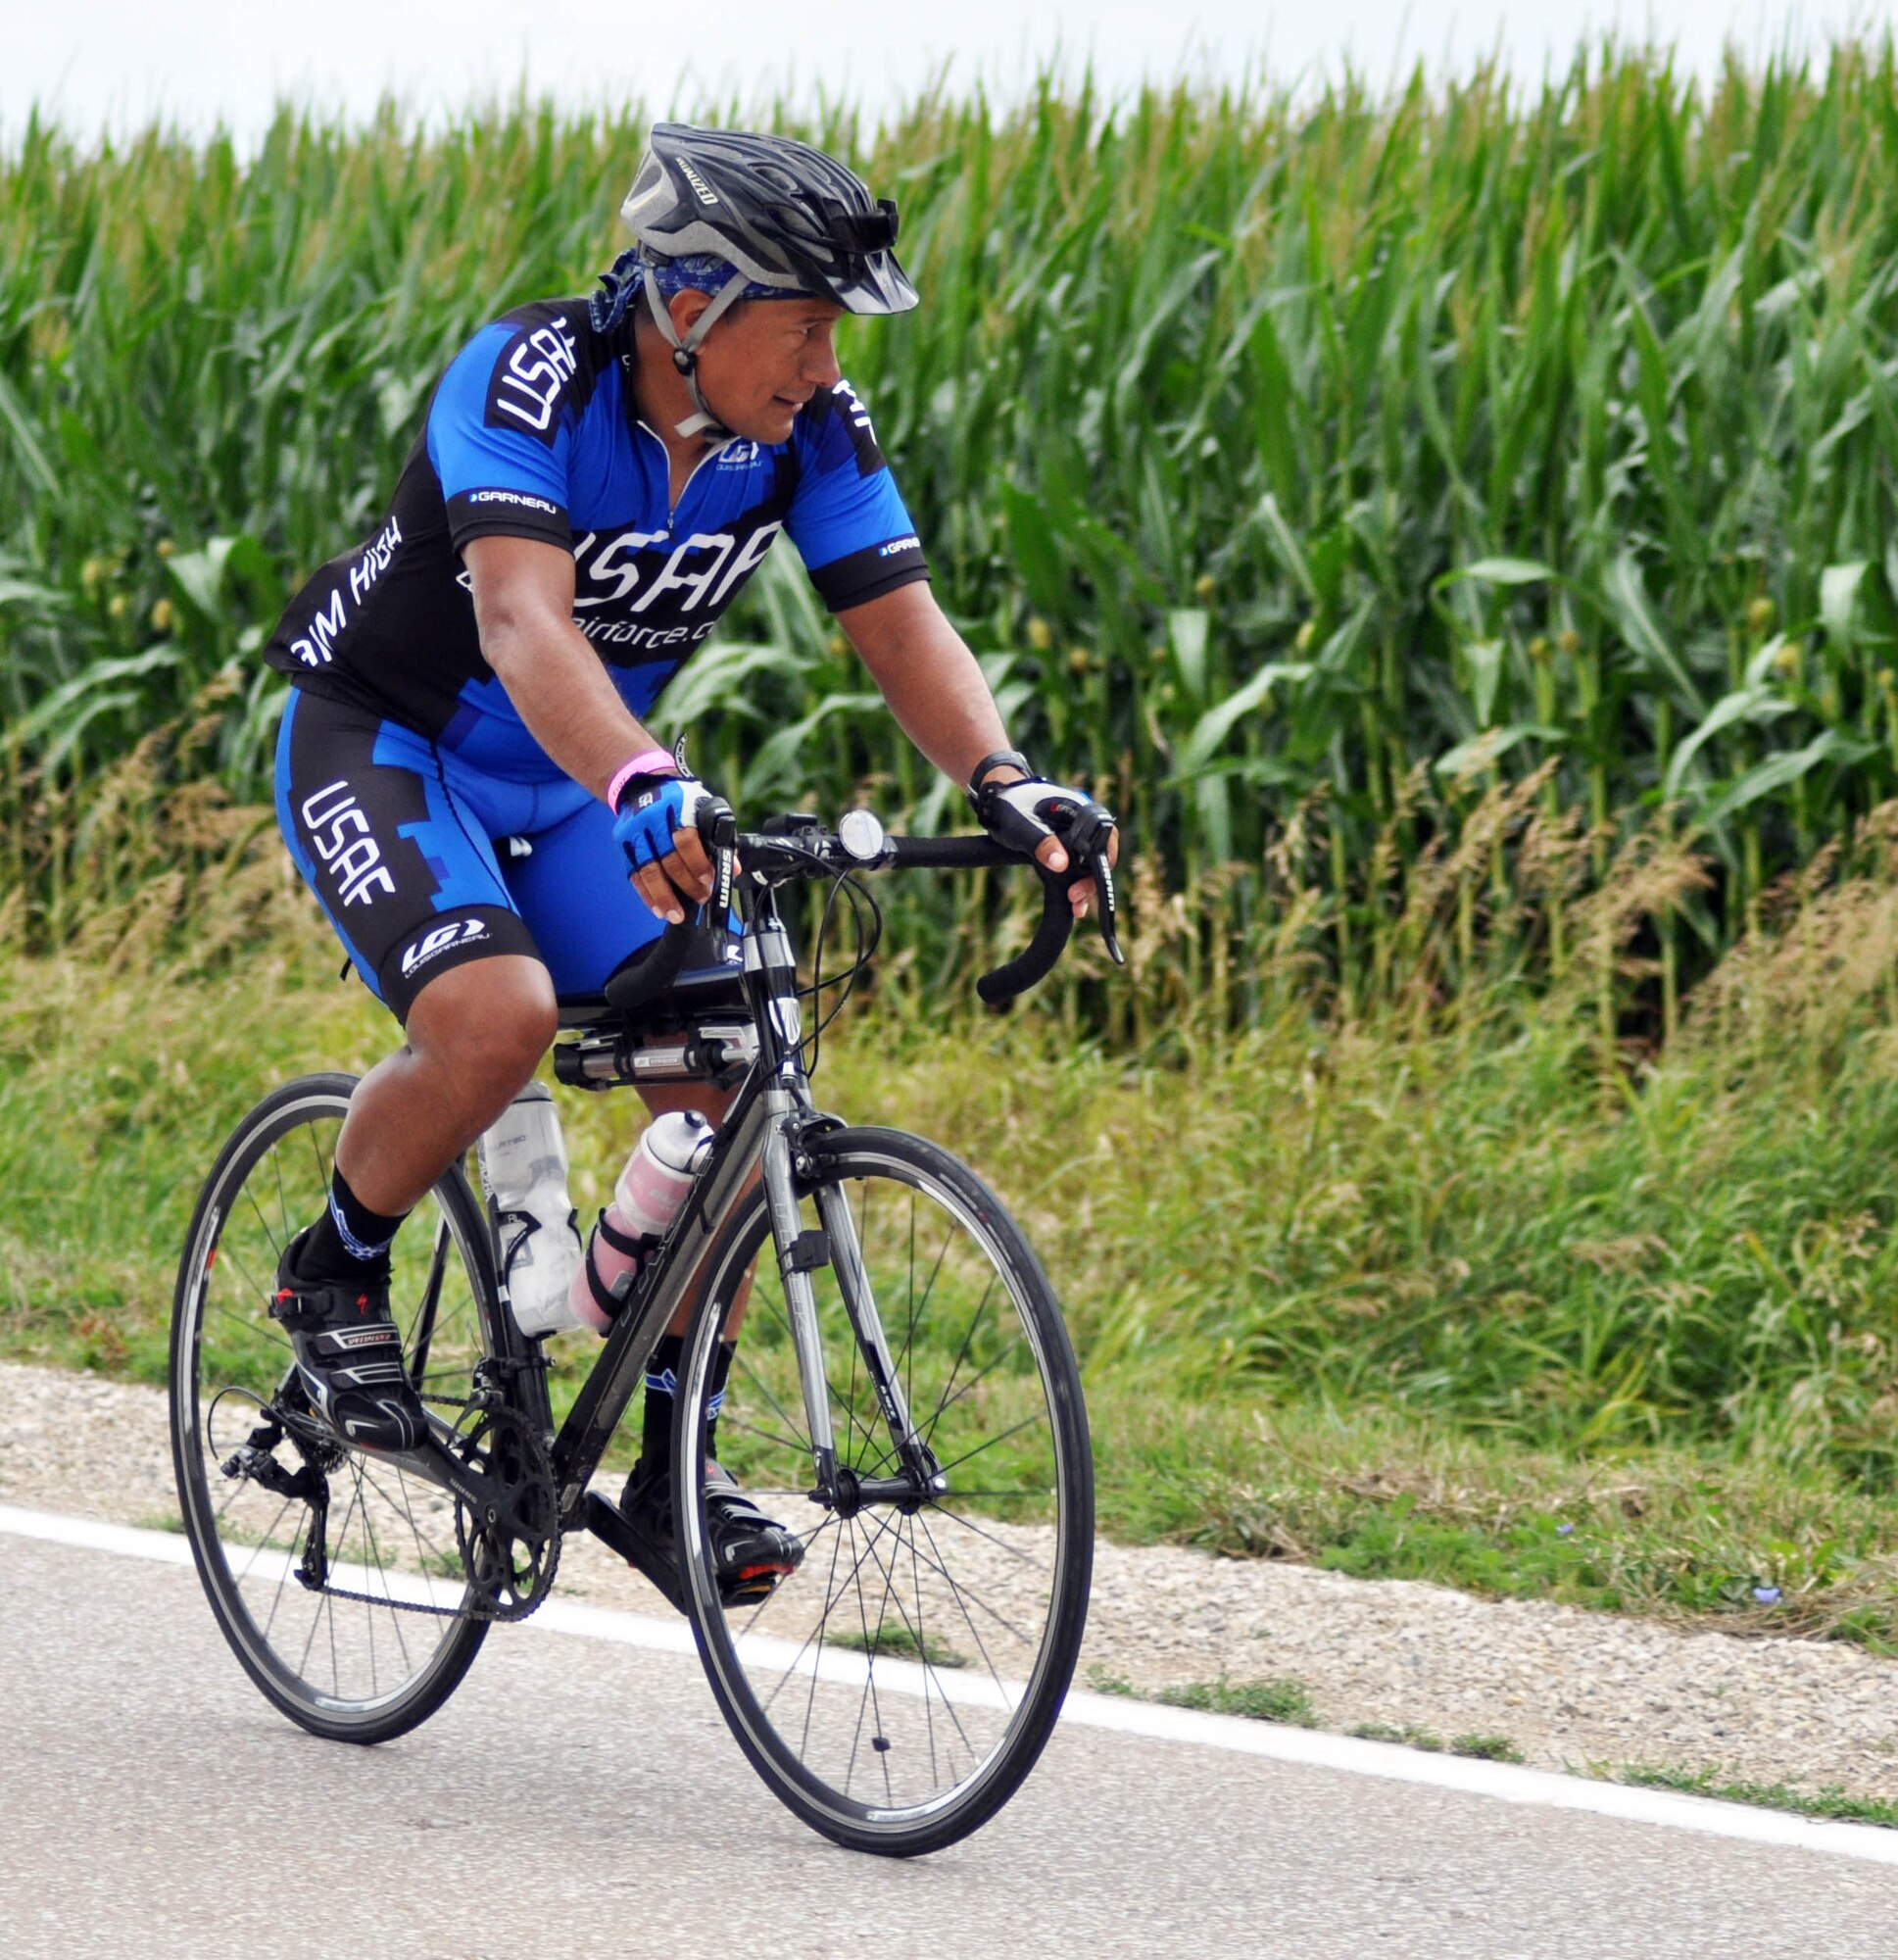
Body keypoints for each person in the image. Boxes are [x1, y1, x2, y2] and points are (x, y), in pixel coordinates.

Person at [262, 122, 1116, 1608]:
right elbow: (525, 623)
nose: (824, 358)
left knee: (731, 1081)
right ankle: (332, 1264)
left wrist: (1004, 779)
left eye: (835, 326)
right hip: (390, 743)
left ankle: (667, 1470)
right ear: (690, 304)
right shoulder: (528, 379)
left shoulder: (808, 431)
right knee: (496, 1016)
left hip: (576, 780)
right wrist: (644, 776)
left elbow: (897, 620)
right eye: (802, 321)